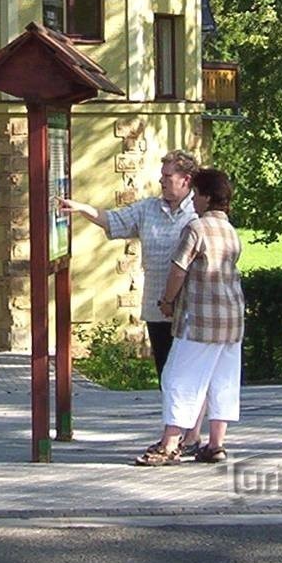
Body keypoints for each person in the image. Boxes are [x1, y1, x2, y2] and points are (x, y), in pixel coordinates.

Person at [59, 149, 199, 401]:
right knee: (166, 376)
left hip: (190, 309)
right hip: (158, 308)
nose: (161, 181)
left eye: (168, 176)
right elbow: (112, 220)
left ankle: (190, 432)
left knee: (190, 376)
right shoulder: (148, 209)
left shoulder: (198, 212)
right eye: (162, 175)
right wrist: (81, 209)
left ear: (185, 180)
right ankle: (172, 431)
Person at [134, 168, 245, 466]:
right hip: (232, 320)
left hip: (199, 320)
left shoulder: (196, 228)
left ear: (207, 197)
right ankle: (216, 444)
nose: (193, 200)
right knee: (222, 380)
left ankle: (170, 444)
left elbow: (178, 270)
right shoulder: (230, 230)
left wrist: (168, 301)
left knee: (178, 378)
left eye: (196, 194)